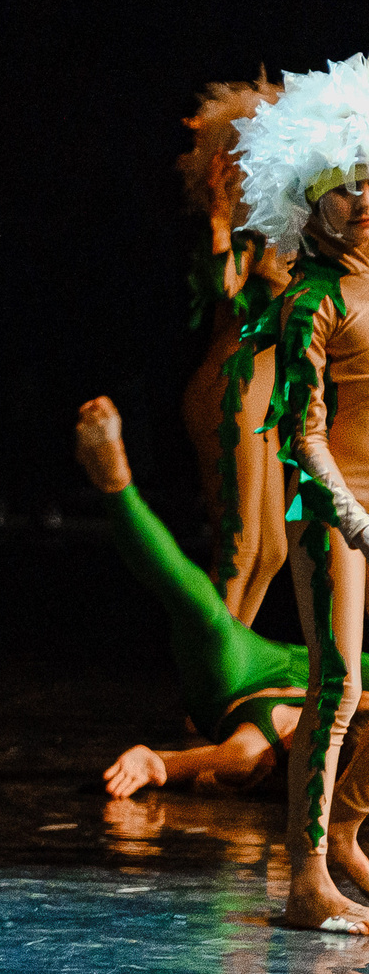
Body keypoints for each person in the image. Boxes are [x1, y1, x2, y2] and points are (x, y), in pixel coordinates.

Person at [228, 55, 369, 930]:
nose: (363, 199)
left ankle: (350, 827)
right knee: (341, 681)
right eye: (348, 187)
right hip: (333, 507)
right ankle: (305, 874)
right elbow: (300, 428)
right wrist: (352, 515)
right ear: (314, 203)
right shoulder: (311, 297)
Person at [75, 397, 307, 798]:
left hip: (237, 680)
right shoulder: (353, 714)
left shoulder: (250, 750)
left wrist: (153, 762)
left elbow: (163, 763)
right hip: (314, 669)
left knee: (206, 616)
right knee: (269, 551)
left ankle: (117, 487)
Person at [180, 75, 291, 620]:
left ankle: (223, 668)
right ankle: (205, 690)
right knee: (241, 543)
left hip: (260, 400)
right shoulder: (248, 235)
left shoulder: (289, 232)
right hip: (233, 389)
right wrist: (219, 217)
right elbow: (223, 286)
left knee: (271, 550)